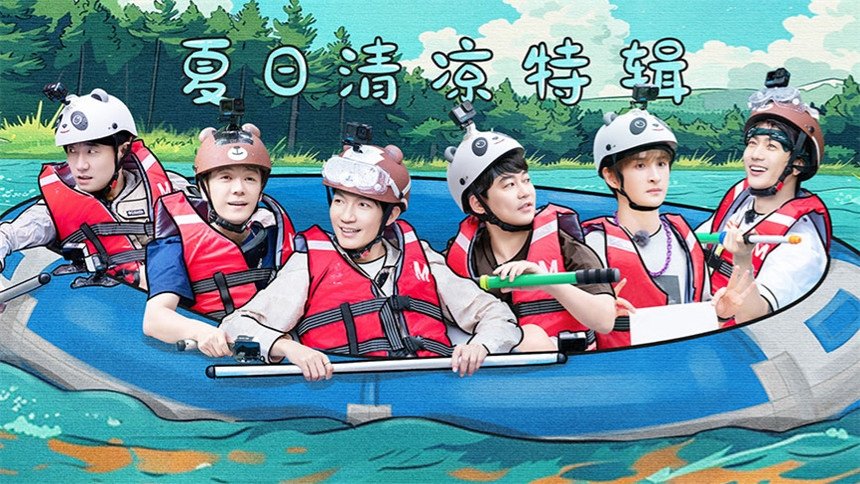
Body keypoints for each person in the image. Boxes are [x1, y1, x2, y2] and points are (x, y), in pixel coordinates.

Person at [220, 136, 521, 380]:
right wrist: (289, 348)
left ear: (391, 215)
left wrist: (481, 346)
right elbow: (236, 326)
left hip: (428, 389)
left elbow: (498, 316)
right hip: (345, 395)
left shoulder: (423, 260)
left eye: (363, 205)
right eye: (339, 201)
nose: (346, 217)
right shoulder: (307, 265)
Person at [443, 103, 615, 352]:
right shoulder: (462, 257)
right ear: (478, 204)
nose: (525, 192)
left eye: (526, 180)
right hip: (496, 366)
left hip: (568, 365)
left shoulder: (564, 243)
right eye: (509, 185)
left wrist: (547, 282)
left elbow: (605, 321)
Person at [583, 106, 748, 347]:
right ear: (611, 177)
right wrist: (596, 316)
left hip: (682, 363)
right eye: (640, 166)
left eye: (661, 163)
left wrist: (721, 315)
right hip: (621, 365)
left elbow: (700, 326)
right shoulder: (594, 244)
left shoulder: (684, 238)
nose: (656, 176)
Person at [0, 85, 189, 287]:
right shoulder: (55, 208)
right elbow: (9, 234)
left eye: (92, 152)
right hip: (98, 302)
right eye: (72, 151)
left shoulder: (170, 189)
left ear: (122, 150)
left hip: (165, 297)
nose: (80, 165)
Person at [142, 123, 296, 357]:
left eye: (250, 179)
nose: (239, 189)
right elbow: (154, 319)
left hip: (267, 352)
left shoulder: (274, 234)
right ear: (204, 188)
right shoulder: (174, 242)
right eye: (225, 178)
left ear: (261, 188)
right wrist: (200, 331)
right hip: (205, 356)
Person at [699, 69, 831, 322]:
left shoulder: (801, 244)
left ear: (798, 163)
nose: (755, 155)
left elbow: (755, 317)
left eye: (771, 146)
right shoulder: (741, 202)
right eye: (752, 143)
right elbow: (693, 244)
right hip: (702, 312)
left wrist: (742, 258)